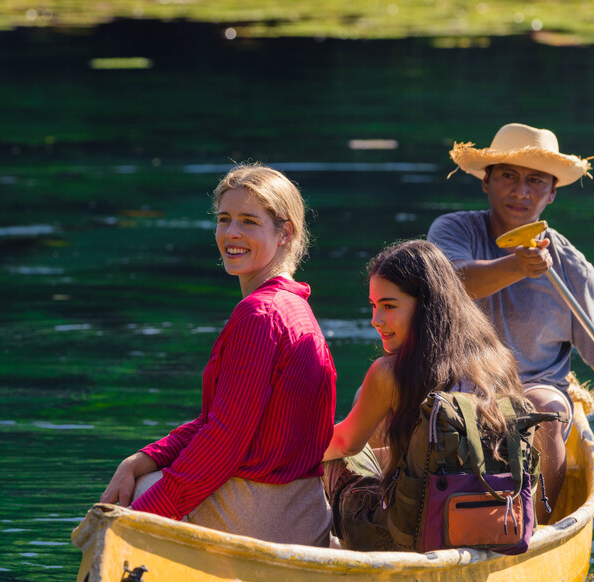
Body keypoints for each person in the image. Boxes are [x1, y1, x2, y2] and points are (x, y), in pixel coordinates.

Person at [99, 163, 337, 547]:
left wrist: (139, 520)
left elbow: (223, 439)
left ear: (285, 232)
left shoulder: (259, 314)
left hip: (265, 515)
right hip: (305, 509)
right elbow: (217, 419)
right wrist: (142, 458)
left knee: (138, 496)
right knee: (144, 475)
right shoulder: (297, 308)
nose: (231, 234)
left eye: (249, 221)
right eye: (224, 219)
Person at [427, 122, 594, 513]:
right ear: (487, 181)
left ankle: (538, 524)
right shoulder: (452, 230)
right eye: (508, 176)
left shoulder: (572, 267)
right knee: (396, 386)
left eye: (536, 181)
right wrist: (519, 264)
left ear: (552, 193)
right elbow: (451, 285)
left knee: (542, 412)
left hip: (534, 387)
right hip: (458, 384)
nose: (520, 191)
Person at [322, 239, 530, 551]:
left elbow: (344, 443)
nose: (375, 320)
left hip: (409, 534)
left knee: (331, 458)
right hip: (496, 521)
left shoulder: (390, 372)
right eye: (373, 305)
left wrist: (277, 451)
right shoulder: (497, 359)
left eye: (389, 306)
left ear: (426, 307)